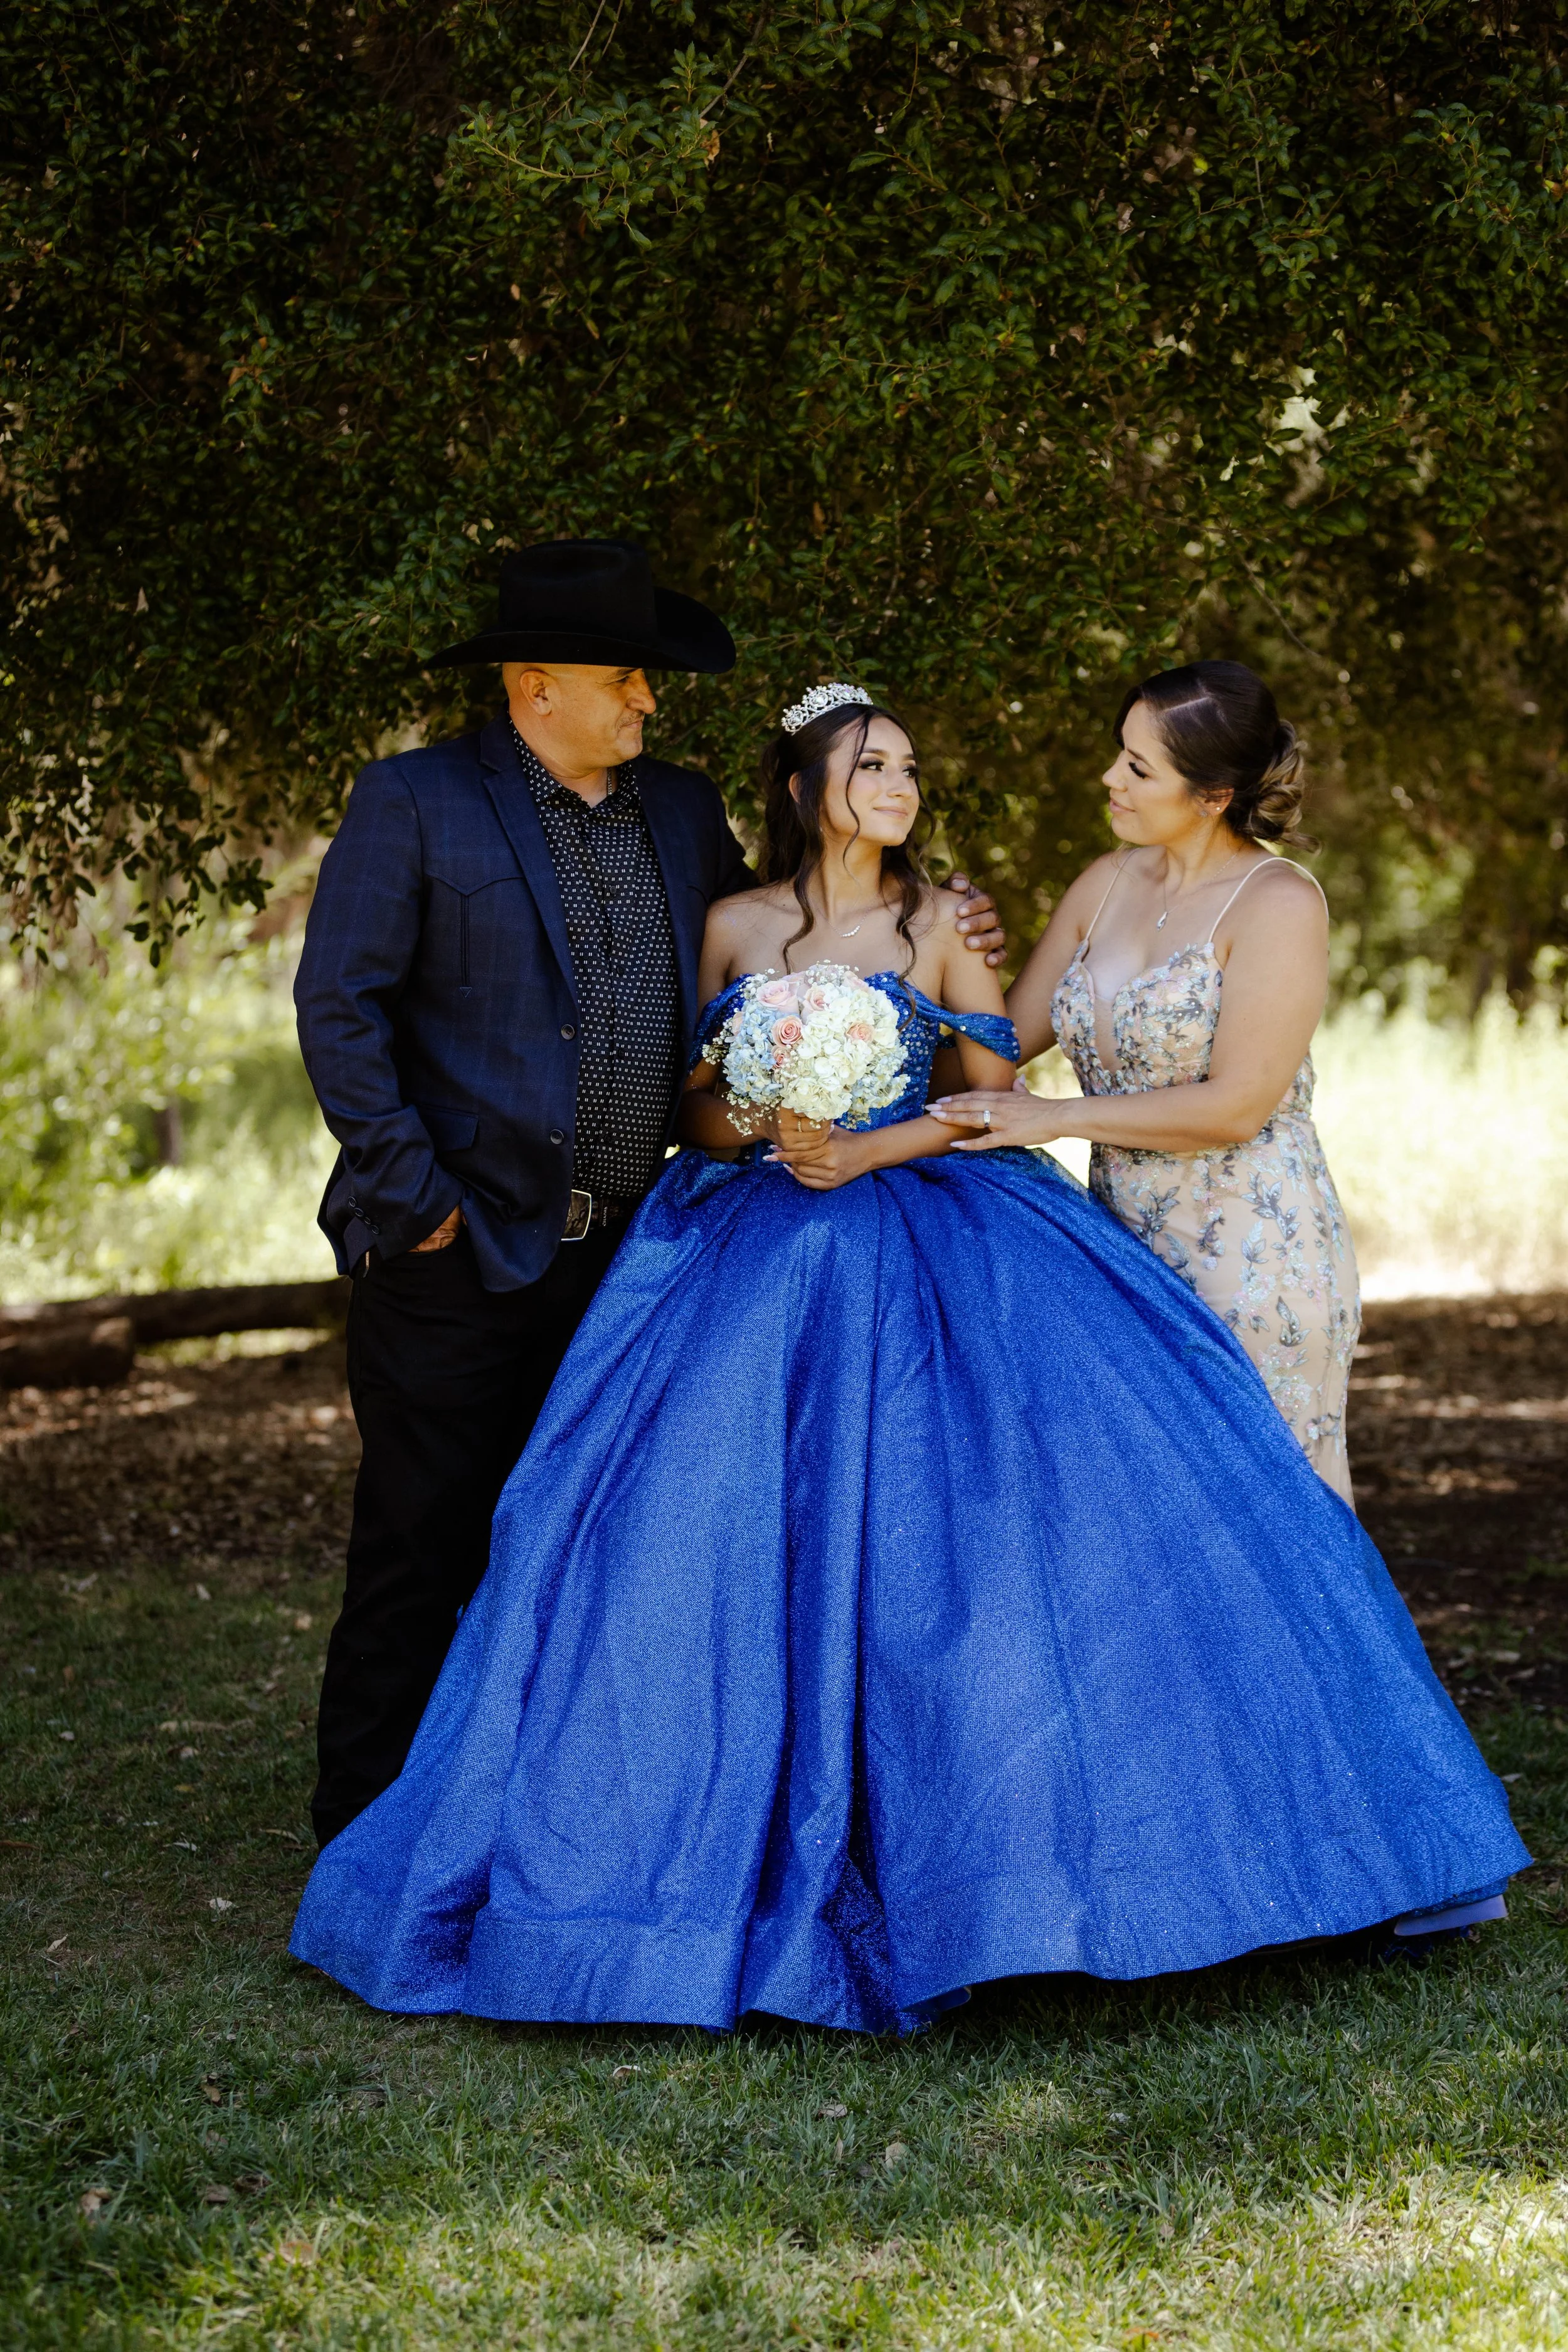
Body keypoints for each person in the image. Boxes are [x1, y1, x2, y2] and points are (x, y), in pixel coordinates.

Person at [290, 685, 1525, 2032]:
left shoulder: (943, 922)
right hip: (752, 1252)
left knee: (1000, 1536)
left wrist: (868, 1139)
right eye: (871, 763)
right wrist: (763, 1116)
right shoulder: (734, 924)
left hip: (945, 1240)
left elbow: (982, 1080)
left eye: (911, 765)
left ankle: (1132, 1848)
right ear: (806, 783)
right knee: (698, 1530)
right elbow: (689, 1109)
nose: (900, 782)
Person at [293, 544, 1004, 1850]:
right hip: (457, 1249)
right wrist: (421, 1202)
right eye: (624, 677)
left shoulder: (676, 812)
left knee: (591, 1541)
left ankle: (532, 1820)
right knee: (420, 1542)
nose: (647, 700)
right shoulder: (413, 802)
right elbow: (338, 1011)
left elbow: (779, 954)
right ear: (533, 683)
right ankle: (367, 1838)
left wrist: (930, 933)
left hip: (640, 1256)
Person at [934, 661, 1360, 1501]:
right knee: (1146, 1524)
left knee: (1261, 1527)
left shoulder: (1278, 902)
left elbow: (1238, 1105)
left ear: (1211, 795)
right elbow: (1001, 1047)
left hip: (1255, 1259)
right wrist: (931, 942)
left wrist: (1054, 1117)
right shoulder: (1105, 882)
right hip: (1123, 1252)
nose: (1109, 779)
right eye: (1117, 754)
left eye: (1138, 768)